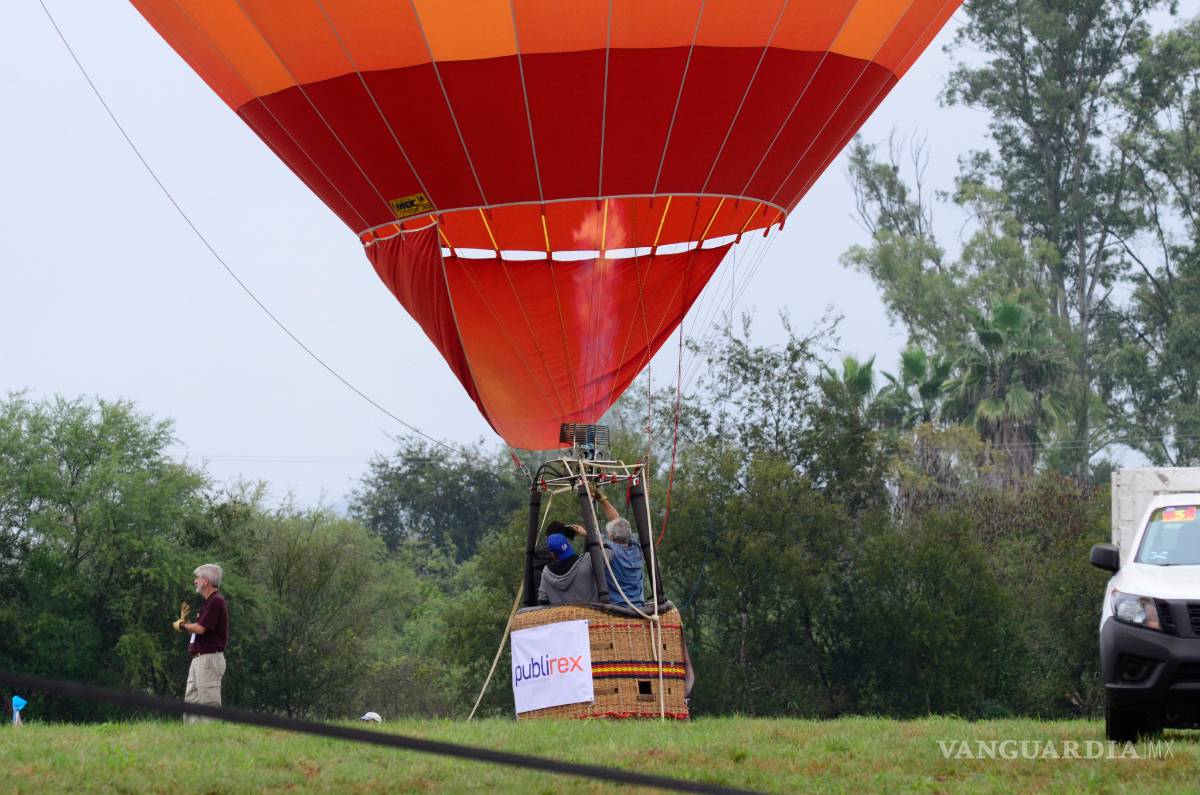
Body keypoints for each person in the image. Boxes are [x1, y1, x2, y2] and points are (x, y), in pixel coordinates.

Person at [175, 563, 228, 722]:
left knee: (208, 703)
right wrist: (186, 622)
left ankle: (211, 740)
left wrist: (182, 626)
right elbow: (200, 629)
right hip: (199, 658)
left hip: (209, 659)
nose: (195, 581)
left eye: (197, 578)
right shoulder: (209, 602)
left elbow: (201, 629)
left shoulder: (216, 601)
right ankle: (192, 740)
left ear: (205, 581)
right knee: (192, 701)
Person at [593, 489, 645, 608]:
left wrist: (584, 532)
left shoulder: (611, 551)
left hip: (618, 607)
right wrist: (602, 498)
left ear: (611, 536)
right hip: (638, 605)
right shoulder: (637, 548)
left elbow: (593, 536)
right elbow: (616, 521)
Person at [537, 532, 599, 604]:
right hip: (591, 614)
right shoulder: (587, 560)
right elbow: (609, 552)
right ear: (569, 544)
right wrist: (588, 535)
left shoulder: (546, 572)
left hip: (562, 614)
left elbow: (543, 599)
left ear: (552, 553)